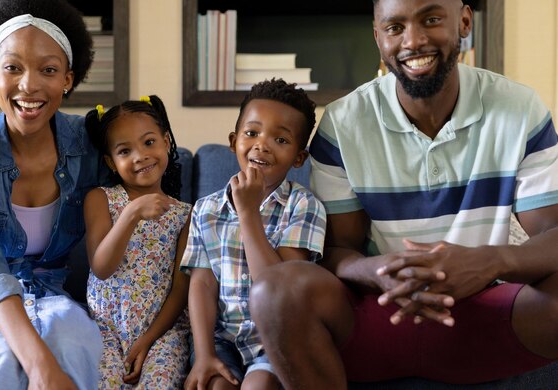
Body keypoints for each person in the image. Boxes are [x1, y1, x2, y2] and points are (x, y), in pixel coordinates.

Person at [249, 0, 558, 388]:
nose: (413, 40)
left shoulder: (520, 108)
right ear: (378, 37)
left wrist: (488, 263)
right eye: (395, 27)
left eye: (430, 19)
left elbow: (551, 235)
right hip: (377, 315)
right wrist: (381, 273)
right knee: (275, 291)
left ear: (463, 21)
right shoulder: (343, 123)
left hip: (484, 316)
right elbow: (335, 250)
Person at [0, 0, 108, 388]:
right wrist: (39, 364)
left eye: (48, 69)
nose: (29, 85)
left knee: (76, 350)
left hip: (49, 290)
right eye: (13, 68)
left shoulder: (94, 142)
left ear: (68, 78)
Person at [181, 78, 327, 390]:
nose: (262, 144)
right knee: (216, 386)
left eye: (281, 140)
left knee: (257, 386)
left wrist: (248, 214)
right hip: (222, 339)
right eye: (252, 133)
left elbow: (278, 289)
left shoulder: (303, 206)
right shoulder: (205, 209)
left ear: (298, 158)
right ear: (233, 140)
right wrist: (204, 354)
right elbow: (202, 284)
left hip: (277, 337)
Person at [84, 97, 191, 389]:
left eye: (148, 142)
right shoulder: (101, 199)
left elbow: (181, 291)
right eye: (124, 150)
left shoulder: (185, 215)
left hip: (162, 333)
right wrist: (131, 214)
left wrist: (148, 340)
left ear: (166, 142)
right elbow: (102, 267)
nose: (140, 156)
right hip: (106, 330)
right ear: (111, 162)